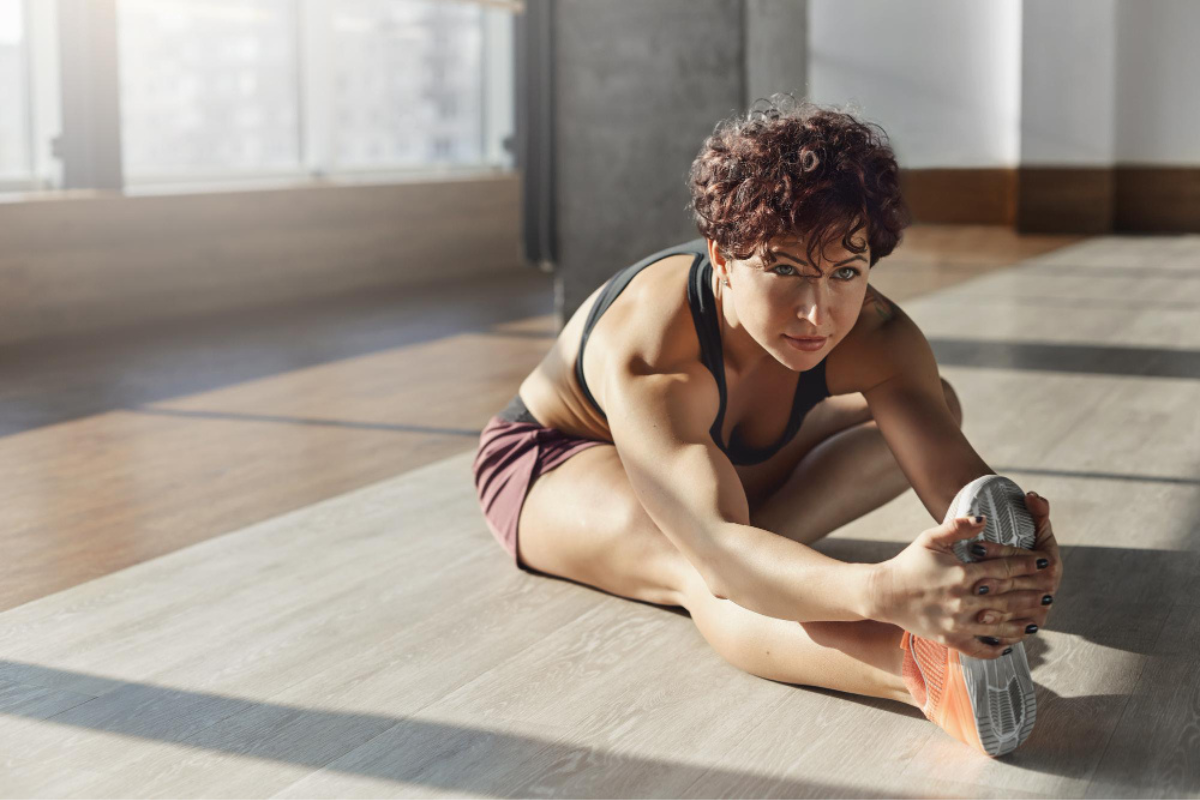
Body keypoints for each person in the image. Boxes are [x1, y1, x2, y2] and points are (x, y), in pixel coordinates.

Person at [472, 97, 1063, 756]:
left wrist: (1016, 564)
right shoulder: (652, 347)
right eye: (784, 270)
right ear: (722, 259)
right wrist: (879, 590)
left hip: (713, 455)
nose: (817, 313)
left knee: (933, 407)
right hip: (559, 459)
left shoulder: (877, 332)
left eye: (847, 272)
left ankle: (770, 565)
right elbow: (720, 548)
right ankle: (919, 669)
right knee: (703, 569)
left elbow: (958, 482)